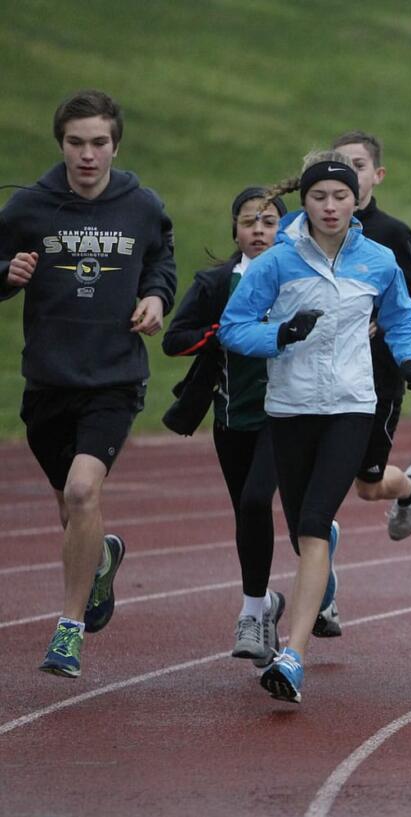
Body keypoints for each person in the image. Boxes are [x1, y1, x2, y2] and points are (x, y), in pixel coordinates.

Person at [218, 151, 411, 703]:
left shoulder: (378, 260)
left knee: (313, 524)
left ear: (355, 199)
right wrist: (281, 336)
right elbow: (233, 327)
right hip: (289, 409)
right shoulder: (277, 262)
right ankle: (301, 630)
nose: (331, 206)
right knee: (301, 531)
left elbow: (403, 317)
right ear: (306, 203)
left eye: (340, 196)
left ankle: (292, 658)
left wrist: (409, 362)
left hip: (350, 407)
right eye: (319, 197)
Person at [0, 89, 176, 678]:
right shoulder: (29, 207)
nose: (87, 154)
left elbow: (161, 261)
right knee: (72, 510)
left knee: (81, 493)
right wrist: (8, 272)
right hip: (48, 380)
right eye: (76, 143)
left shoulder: (141, 205)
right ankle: (101, 557)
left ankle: (68, 631)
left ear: (115, 145)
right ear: (61, 146)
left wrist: (155, 297)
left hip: (113, 378)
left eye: (98, 142)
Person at [161, 187, 297, 668]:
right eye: (248, 222)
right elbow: (174, 341)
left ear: (286, 229)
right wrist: (223, 329)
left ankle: (250, 613)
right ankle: (266, 604)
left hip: (287, 414)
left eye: (268, 221)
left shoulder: (300, 278)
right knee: (247, 511)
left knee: (260, 499)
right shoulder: (218, 283)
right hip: (231, 417)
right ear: (235, 231)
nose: (258, 230)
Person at [329, 132, 411, 638]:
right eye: (340, 166)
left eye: (359, 165)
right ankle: (321, 596)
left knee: (368, 485)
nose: (349, 174)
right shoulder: (310, 232)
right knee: (312, 488)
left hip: (377, 379)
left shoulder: (394, 234)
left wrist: (383, 318)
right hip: (319, 380)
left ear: (376, 175)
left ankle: (410, 484)